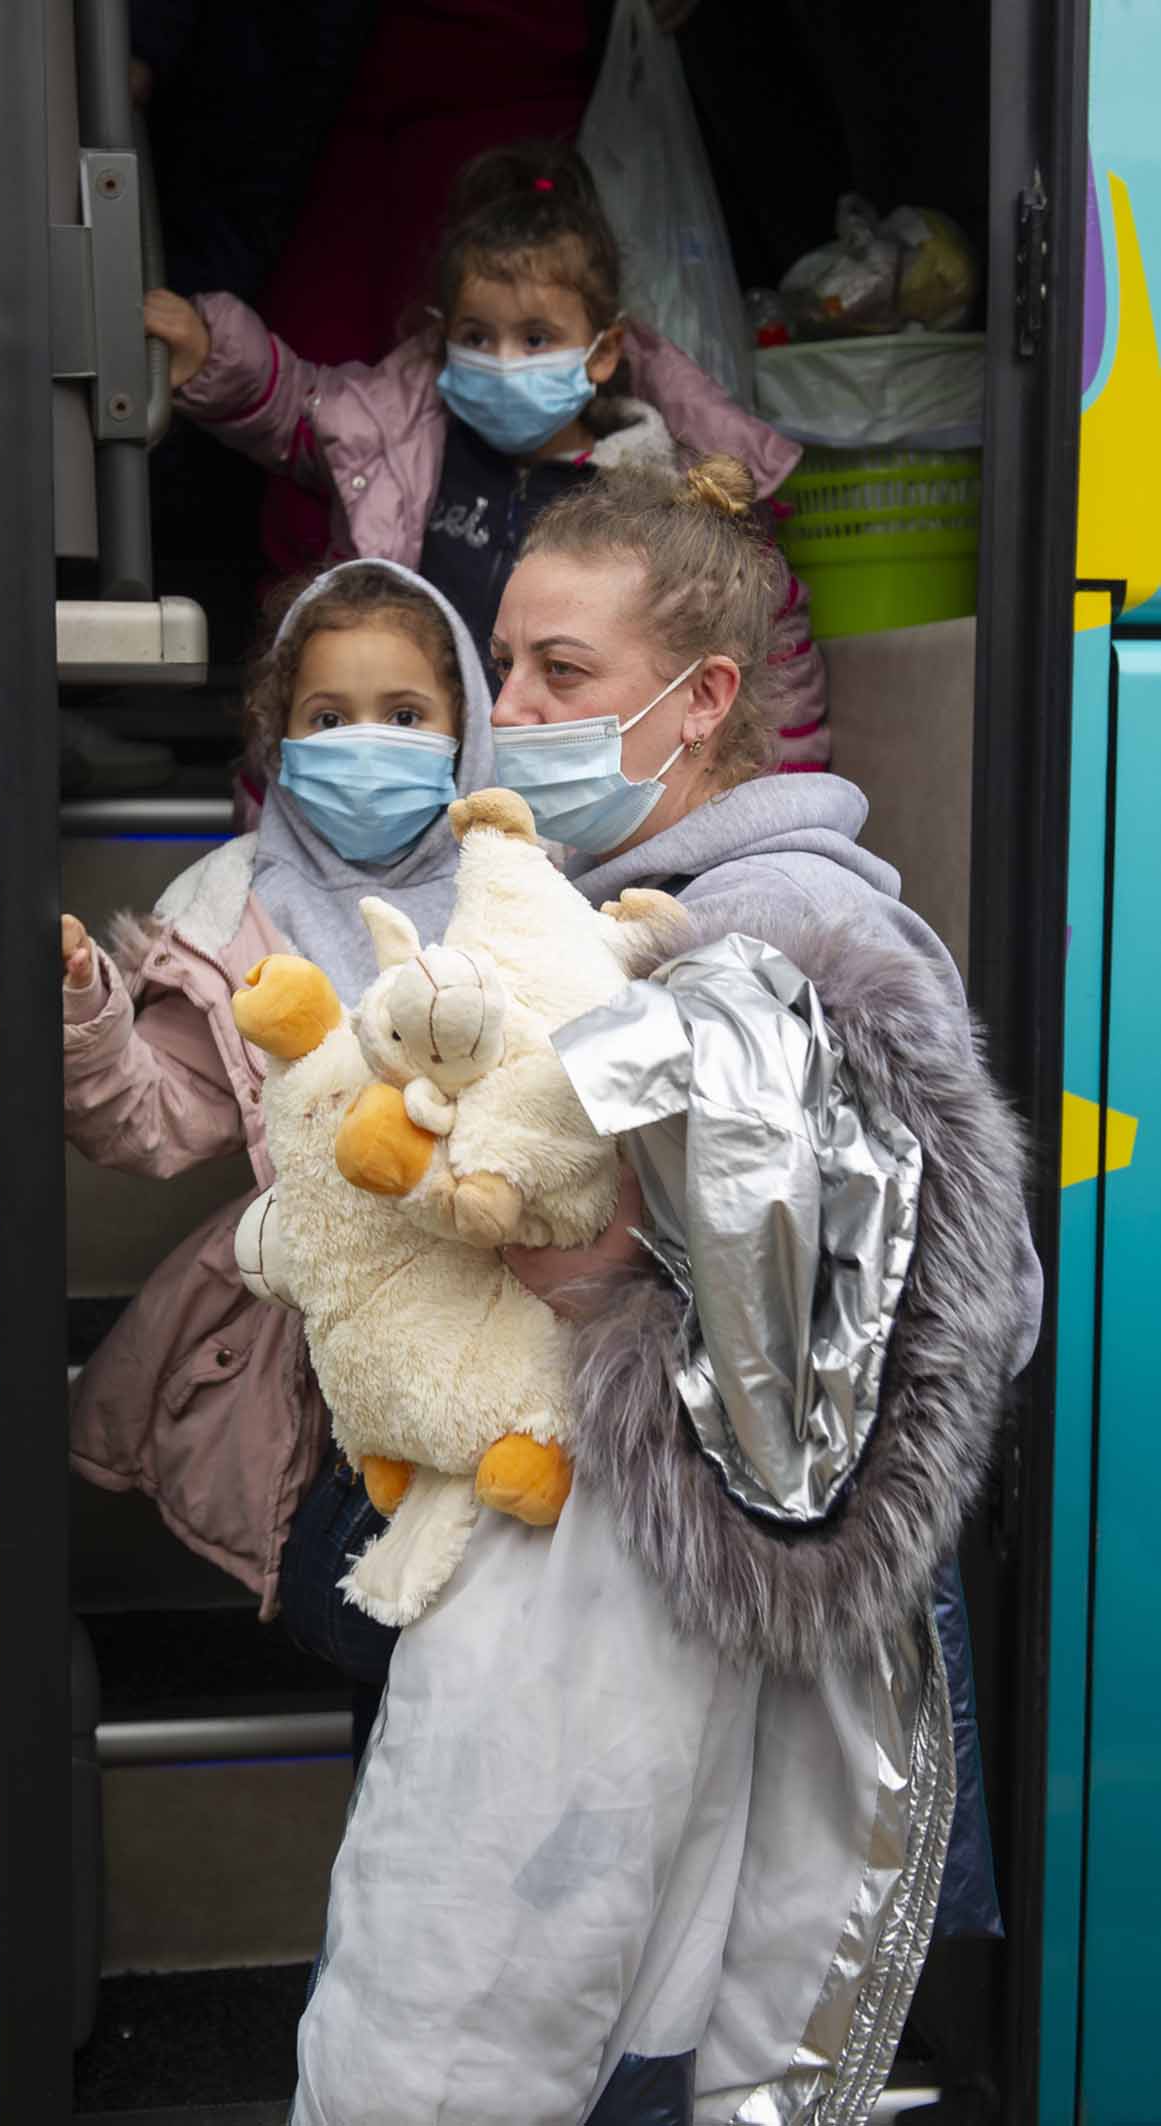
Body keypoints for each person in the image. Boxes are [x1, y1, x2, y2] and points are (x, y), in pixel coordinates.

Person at [288, 459, 1042, 2123]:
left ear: (702, 697)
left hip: (694, 1672)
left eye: (569, 670)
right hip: (620, 1657)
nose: (521, 705)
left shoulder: (777, 930)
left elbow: (966, 1307)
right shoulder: (584, 917)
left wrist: (603, 1289)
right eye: (510, 667)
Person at [61, 561, 494, 1754]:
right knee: (383, 1638)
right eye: (327, 716)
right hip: (332, 1367)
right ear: (281, 738)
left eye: (405, 716)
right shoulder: (234, 912)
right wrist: (87, 1010)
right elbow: (145, 1120)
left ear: (467, 730)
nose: (367, 742)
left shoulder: (525, 886)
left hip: (512, 1341)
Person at [142, 139, 831, 770]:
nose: (502, 361)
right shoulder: (401, 443)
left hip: (580, 804)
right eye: (476, 335)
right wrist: (210, 355)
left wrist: (778, 798)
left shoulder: (661, 487)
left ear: (606, 350)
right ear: (442, 336)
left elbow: (764, 641)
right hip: (415, 783)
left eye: (535, 339)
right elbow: (303, 409)